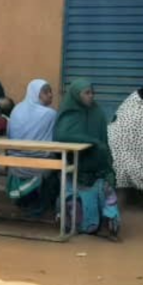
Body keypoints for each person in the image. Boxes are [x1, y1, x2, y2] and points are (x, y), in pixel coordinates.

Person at [54, 79, 121, 241]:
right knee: (74, 195)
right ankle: (77, 223)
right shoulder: (68, 112)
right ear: (76, 95)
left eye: (92, 92)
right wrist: (91, 141)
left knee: (105, 190)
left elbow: (103, 140)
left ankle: (108, 226)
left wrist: (99, 148)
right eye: (86, 93)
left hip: (97, 164)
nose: (91, 96)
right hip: (75, 165)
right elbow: (62, 136)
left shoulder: (96, 111)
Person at [6, 79, 59, 216]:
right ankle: (43, 204)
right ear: (35, 94)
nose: (50, 95)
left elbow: (9, 135)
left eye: (50, 91)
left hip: (14, 162)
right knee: (59, 165)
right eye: (46, 92)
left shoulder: (16, 109)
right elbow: (55, 139)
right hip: (40, 163)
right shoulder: (50, 114)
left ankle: (25, 200)